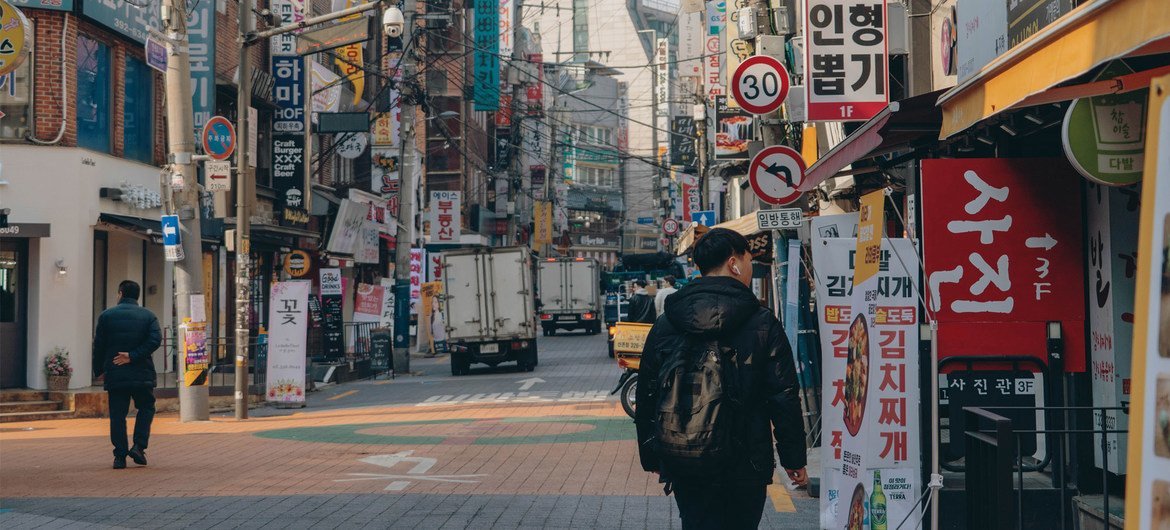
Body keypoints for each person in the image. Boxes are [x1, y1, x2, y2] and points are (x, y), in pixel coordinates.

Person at [635, 228, 807, 529]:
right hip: (746, 459)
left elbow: (648, 392)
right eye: (748, 259)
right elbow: (783, 394)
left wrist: (652, 454)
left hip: (685, 453)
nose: (750, 266)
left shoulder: (667, 323)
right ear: (734, 263)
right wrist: (793, 458)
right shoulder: (762, 322)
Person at [92, 280, 161, 469]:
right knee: (146, 407)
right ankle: (138, 446)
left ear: (120, 293)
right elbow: (155, 340)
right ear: (137, 296)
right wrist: (133, 356)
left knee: (117, 415)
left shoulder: (107, 316)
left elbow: (99, 345)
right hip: (142, 371)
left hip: (116, 372)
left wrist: (99, 370)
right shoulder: (149, 316)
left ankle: (119, 456)